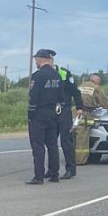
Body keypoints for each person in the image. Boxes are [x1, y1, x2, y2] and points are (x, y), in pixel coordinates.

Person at [26, 49, 65, 185]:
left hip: (39, 115)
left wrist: (30, 115)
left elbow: (33, 97)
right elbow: (61, 97)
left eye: (36, 59)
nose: (35, 61)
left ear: (41, 59)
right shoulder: (57, 76)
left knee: (38, 146)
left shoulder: (38, 76)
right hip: (53, 114)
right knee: (52, 145)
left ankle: (39, 176)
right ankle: (54, 174)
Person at [52, 64, 84, 180]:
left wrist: (79, 107)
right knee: (50, 141)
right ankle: (52, 169)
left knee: (66, 140)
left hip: (64, 110)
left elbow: (75, 91)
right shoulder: (45, 74)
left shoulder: (64, 73)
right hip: (50, 111)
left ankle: (71, 169)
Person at [75, 73, 108, 165]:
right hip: (86, 114)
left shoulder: (81, 86)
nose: (98, 84)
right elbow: (104, 102)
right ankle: (80, 160)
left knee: (75, 137)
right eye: (98, 82)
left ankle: (74, 158)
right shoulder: (95, 88)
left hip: (75, 113)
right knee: (82, 139)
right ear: (96, 81)